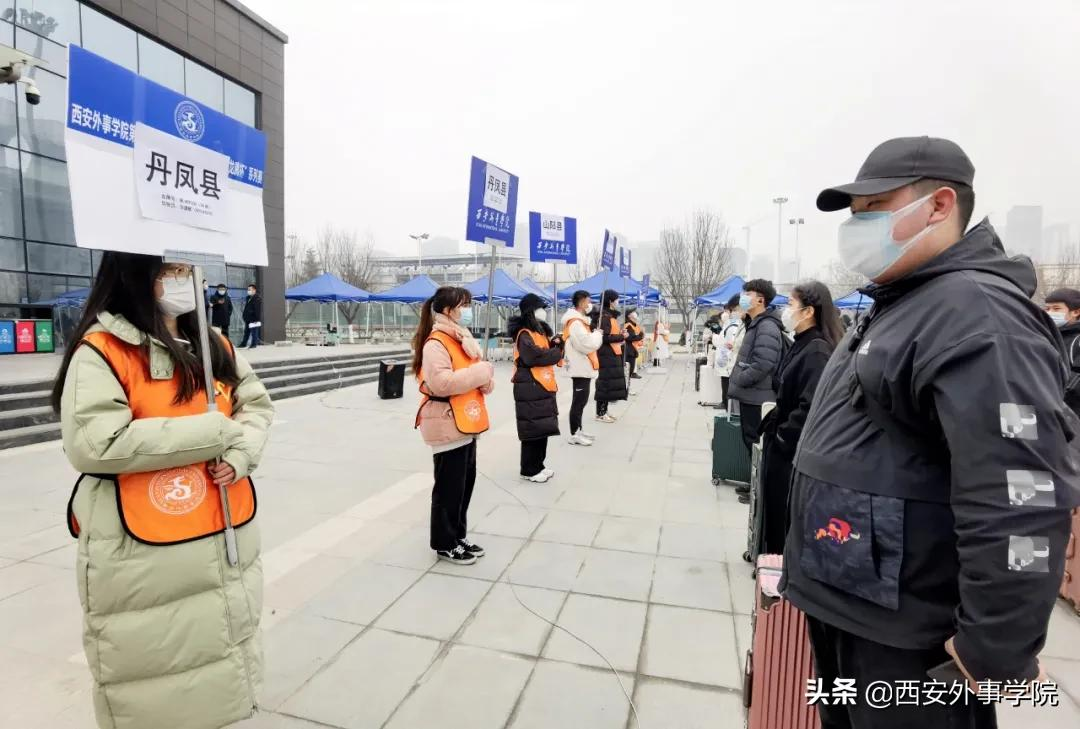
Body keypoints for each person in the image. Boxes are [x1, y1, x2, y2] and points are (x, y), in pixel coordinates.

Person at [780, 136, 1079, 729]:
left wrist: (992, 650)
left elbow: (1020, 493)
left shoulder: (977, 313)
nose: (856, 228)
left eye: (873, 210)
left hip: (907, 632)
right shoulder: (908, 299)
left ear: (940, 205)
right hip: (857, 602)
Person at [52, 252, 274, 729]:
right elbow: (95, 442)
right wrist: (214, 432)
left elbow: (255, 406)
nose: (184, 281)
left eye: (189, 271)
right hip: (146, 549)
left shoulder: (212, 343)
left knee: (223, 659)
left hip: (224, 530)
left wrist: (241, 453)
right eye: (171, 271)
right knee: (159, 674)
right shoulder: (103, 349)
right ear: (136, 274)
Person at [753, 281, 843, 560]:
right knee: (774, 511)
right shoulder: (801, 343)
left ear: (808, 311)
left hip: (791, 451)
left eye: (790, 304)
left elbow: (810, 406)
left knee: (784, 515)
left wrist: (783, 436)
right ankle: (771, 563)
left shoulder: (817, 351)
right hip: (783, 443)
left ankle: (779, 569)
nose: (786, 310)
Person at [412, 287, 495, 565]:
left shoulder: (461, 339)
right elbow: (442, 383)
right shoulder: (436, 343)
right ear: (448, 310)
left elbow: (472, 374)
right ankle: (444, 543)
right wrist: (479, 373)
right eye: (464, 305)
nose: (468, 310)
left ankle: (458, 535)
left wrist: (484, 378)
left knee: (463, 486)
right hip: (446, 421)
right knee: (448, 489)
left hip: (465, 420)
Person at [727, 279, 785, 463]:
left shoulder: (766, 326)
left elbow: (763, 363)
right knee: (751, 443)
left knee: (756, 443)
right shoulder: (755, 323)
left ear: (760, 300)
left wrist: (740, 379)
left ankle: (759, 481)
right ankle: (755, 478)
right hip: (751, 395)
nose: (743, 298)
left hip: (757, 397)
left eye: (748, 294)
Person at [509, 294, 564, 483]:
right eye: (540, 308)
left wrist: (555, 344)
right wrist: (555, 352)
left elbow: (545, 351)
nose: (543, 311)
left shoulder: (539, 331)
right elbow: (533, 356)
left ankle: (538, 464)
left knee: (542, 427)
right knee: (532, 428)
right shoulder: (524, 333)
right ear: (531, 311)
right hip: (529, 385)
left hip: (542, 384)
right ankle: (528, 469)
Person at [561, 290, 603, 446]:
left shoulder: (579, 321)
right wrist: (597, 335)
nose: (590, 304)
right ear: (582, 302)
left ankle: (579, 430)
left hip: (582, 366)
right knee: (578, 402)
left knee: (581, 401)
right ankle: (574, 434)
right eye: (588, 301)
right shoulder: (576, 323)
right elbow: (586, 344)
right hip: (579, 367)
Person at [1043, 287, 1080, 418]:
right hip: (1047, 411)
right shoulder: (1045, 336)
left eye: (1056, 308)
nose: (1050, 313)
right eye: (1047, 309)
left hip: (1071, 415)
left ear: (1076, 312)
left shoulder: (1077, 340)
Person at [592, 289, 627, 423]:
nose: (618, 301)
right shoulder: (604, 317)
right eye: (616, 299)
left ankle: (604, 411)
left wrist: (620, 334)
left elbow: (611, 334)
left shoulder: (609, 316)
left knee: (608, 384)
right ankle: (600, 413)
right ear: (611, 301)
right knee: (604, 384)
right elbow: (604, 337)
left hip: (612, 353)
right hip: (606, 354)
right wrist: (621, 336)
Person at [623, 308, 646, 381]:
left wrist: (641, 334)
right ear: (629, 315)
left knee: (629, 370)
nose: (635, 313)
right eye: (633, 312)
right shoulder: (628, 325)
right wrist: (641, 334)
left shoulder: (634, 325)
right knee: (628, 371)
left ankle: (627, 384)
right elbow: (631, 337)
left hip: (632, 349)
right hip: (629, 350)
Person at [240, 283, 262, 349]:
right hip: (247, 318)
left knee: (254, 332)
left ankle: (253, 344)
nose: (248, 291)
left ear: (254, 290)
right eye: (248, 289)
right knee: (246, 332)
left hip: (253, 318)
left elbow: (257, 310)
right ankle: (243, 343)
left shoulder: (257, 298)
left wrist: (256, 319)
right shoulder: (248, 298)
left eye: (250, 289)